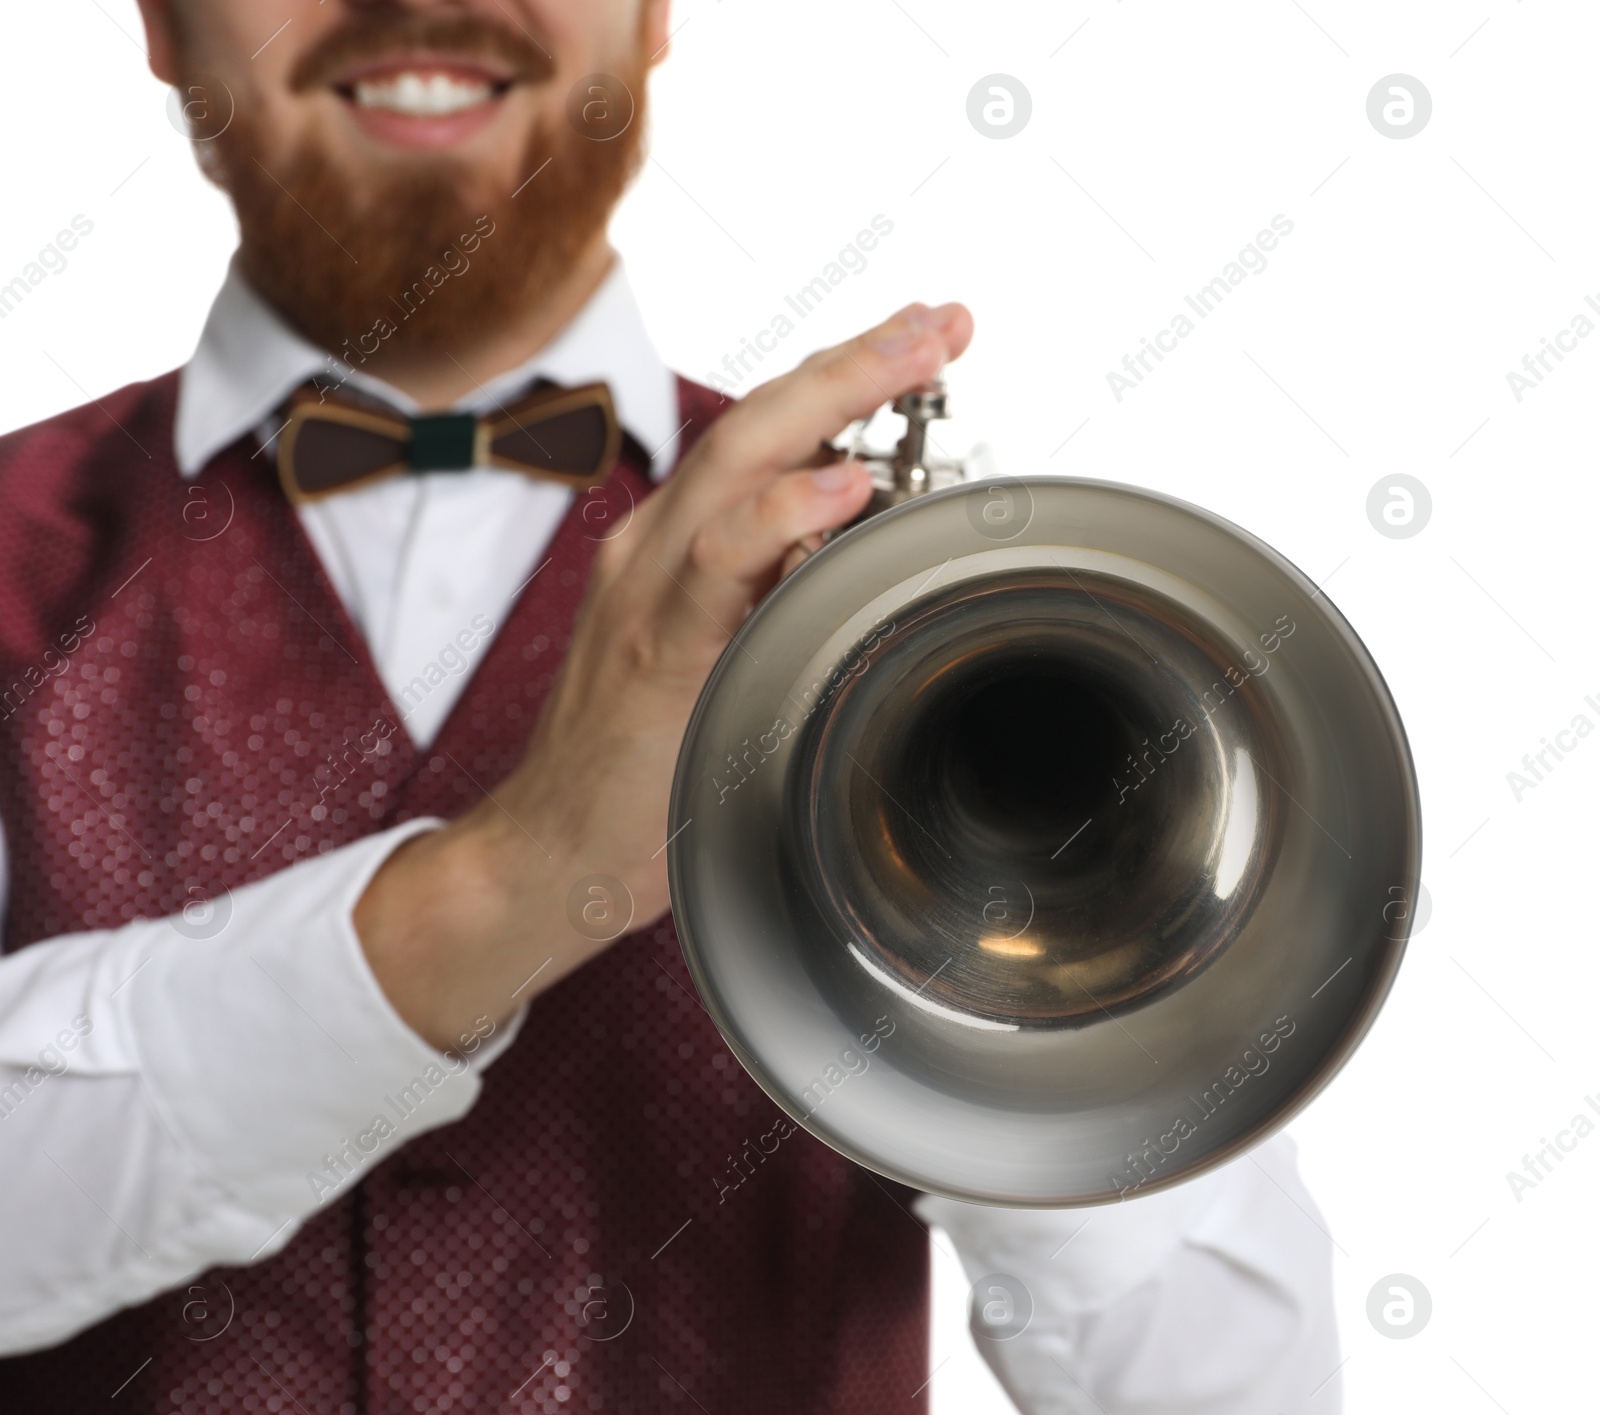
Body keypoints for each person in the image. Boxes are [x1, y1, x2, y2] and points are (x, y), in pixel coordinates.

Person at [0, 1, 1342, 1410]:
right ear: (159, 20)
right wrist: (514, 880)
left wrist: (965, 907)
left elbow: (1232, 1388)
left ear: (651, 14)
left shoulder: (899, 583)